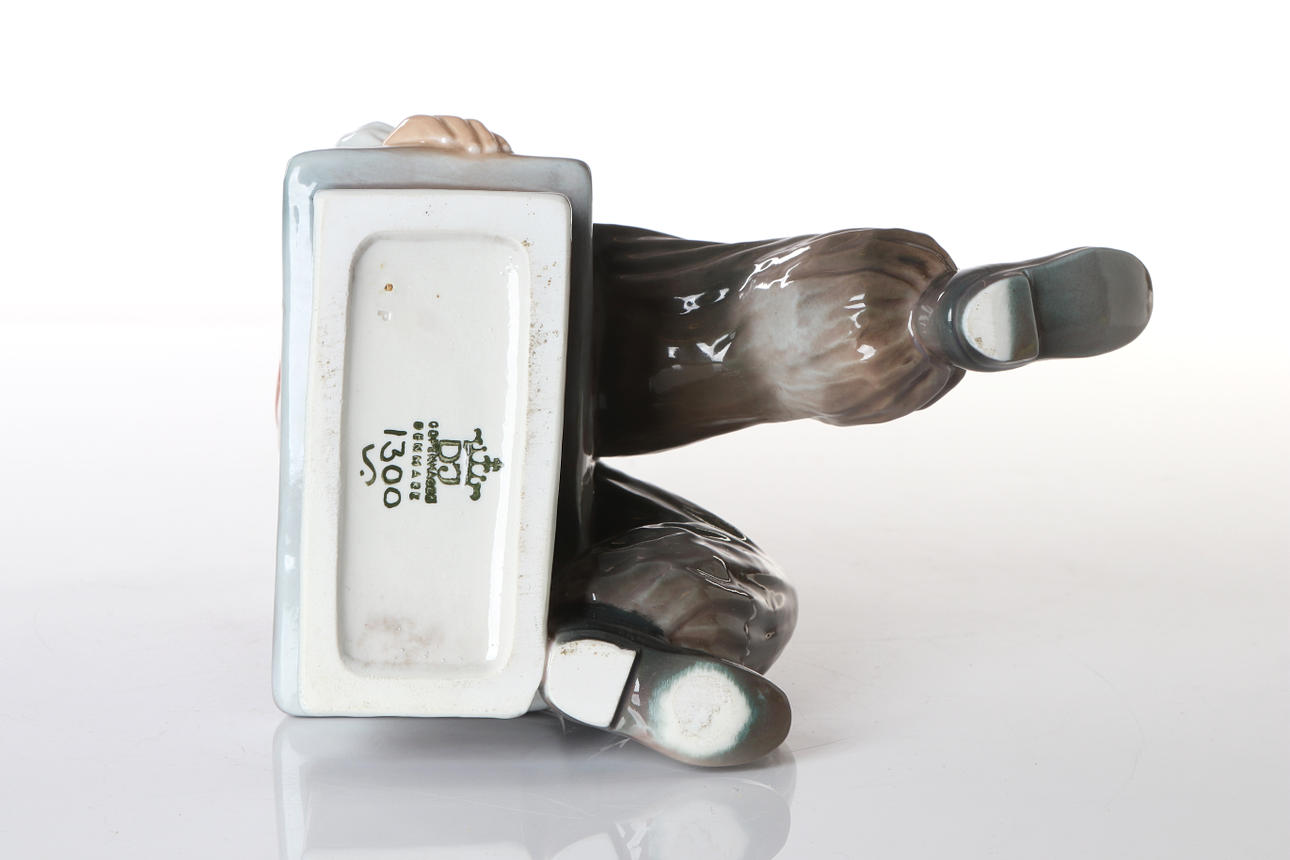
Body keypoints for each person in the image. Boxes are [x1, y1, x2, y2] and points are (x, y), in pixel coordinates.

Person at [367, 116, 1153, 766]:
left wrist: (403, 155)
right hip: (468, 524)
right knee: (724, 571)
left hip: (502, 310)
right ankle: (614, 658)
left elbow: (346, 180)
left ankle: (930, 318)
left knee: (729, 328)